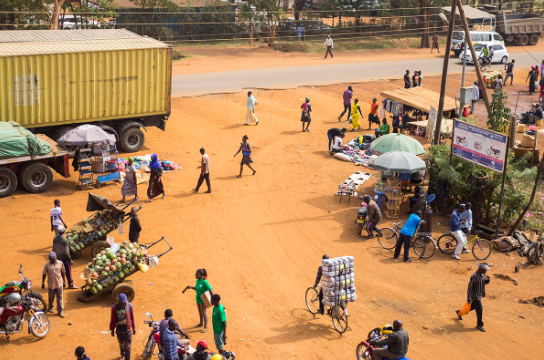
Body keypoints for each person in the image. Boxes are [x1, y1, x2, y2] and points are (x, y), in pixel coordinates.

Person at [457, 263, 490, 332]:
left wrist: (487, 281)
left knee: (473, 307)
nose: (486, 271)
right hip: (475, 296)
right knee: (479, 310)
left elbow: (482, 282)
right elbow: (470, 287)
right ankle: (480, 325)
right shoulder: (474, 276)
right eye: (485, 270)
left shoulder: (483, 274)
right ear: (481, 269)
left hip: (479, 294)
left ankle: (459, 312)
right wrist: (469, 298)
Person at [183, 269, 214, 333]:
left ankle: (205, 327)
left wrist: (212, 298)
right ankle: (201, 323)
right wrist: (191, 287)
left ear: (201, 275)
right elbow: (197, 288)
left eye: (197, 274)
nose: (195, 275)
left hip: (203, 299)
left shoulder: (204, 282)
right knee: (200, 311)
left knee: (204, 312)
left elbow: (211, 289)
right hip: (198, 298)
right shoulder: (197, 281)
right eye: (195, 274)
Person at [110, 293, 136, 360]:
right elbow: (113, 319)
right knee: (121, 344)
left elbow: (132, 317)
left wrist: (134, 327)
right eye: (122, 302)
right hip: (119, 330)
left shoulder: (129, 306)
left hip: (128, 331)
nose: (124, 303)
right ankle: (122, 355)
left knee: (127, 347)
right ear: (119, 300)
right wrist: (112, 329)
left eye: (125, 301)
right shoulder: (114, 307)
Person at [42, 251, 66, 318]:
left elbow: (63, 272)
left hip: (59, 284)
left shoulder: (60, 263)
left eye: (53, 259)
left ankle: (60, 311)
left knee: (59, 298)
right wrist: (42, 283)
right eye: (50, 259)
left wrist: (64, 282)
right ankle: (50, 307)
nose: (51, 260)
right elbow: (44, 274)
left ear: (56, 258)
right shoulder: (47, 265)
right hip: (51, 284)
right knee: (51, 297)